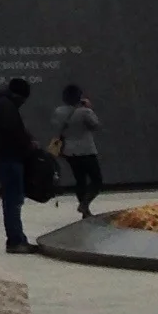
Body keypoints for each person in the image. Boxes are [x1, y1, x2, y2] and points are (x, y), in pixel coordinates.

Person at [0, 75, 38, 254]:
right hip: (8, 158)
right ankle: (15, 240)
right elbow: (14, 133)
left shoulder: (2, 104)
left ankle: (18, 238)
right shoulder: (6, 106)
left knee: (13, 199)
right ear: (19, 95)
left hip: (3, 157)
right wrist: (29, 146)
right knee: (13, 200)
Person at [52, 81, 104, 218]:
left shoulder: (59, 111)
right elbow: (95, 125)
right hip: (86, 150)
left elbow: (56, 126)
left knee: (80, 180)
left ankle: (85, 210)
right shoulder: (85, 111)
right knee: (97, 180)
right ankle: (85, 204)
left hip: (69, 151)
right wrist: (89, 108)